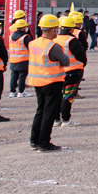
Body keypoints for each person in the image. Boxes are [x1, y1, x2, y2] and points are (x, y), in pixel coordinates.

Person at [28, 14, 70, 152]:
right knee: (49, 113)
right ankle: (44, 143)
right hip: (51, 82)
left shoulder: (33, 43)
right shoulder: (53, 46)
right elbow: (65, 61)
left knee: (40, 110)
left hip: (37, 81)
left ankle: (34, 141)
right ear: (53, 30)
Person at [54, 16, 86, 126]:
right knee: (68, 96)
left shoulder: (54, 39)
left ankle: (56, 119)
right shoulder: (72, 40)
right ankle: (66, 119)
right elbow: (81, 56)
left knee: (57, 96)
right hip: (72, 72)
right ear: (71, 28)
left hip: (57, 72)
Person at [7, 19, 31, 98]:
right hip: (23, 60)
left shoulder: (11, 37)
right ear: (23, 28)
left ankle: (12, 92)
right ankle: (21, 92)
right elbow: (30, 47)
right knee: (22, 76)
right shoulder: (25, 37)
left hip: (13, 59)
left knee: (13, 76)